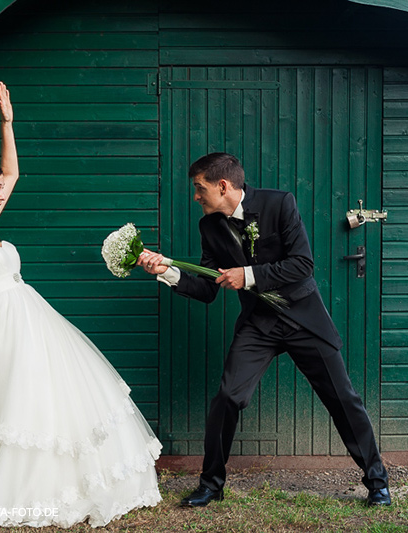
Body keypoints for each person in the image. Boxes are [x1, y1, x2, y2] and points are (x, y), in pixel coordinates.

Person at [0, 77, 161, 529]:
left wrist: (8, 122)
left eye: (1, 192)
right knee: (9, 399)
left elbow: (12, 173)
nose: (1, 196)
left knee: (49, 393)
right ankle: (4, 486)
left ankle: (58, 480)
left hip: (32, 314)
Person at [137, 153, 391, 507]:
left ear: (223, 186)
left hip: (303, 318)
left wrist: (248, 275)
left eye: (200, 188)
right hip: (259, 323)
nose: (196, 196)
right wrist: (165, 270)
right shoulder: (209, 226)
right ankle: (211, 484)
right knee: (227, 398)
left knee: (343, 400)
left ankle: (377, 482)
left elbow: (302, 264)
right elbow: (208, 289)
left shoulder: (279, 203)